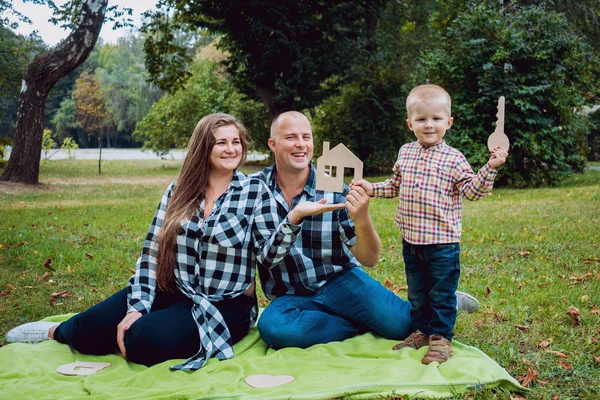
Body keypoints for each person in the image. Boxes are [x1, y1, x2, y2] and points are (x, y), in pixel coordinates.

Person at [5, 113, 342, 371]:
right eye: (220, 142)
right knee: (89, 328)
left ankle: (131, 330)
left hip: (226, 305)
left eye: (236, 142)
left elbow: (268, 257)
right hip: (173, 288)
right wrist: (137, 306)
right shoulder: (178, 190)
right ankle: (56, 332)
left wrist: (294, 217)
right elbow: (151, 252)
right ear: (203, 147)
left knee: (142, 340)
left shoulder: (255, 191)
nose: (230, 149)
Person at [251, 110, 481, 350]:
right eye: (290, 137)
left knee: (406, 326)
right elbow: (266, 258)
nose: (300, 144)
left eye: (306, 137)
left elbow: (369, 258)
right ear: (273, 144)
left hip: (339, 280)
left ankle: (444, 302)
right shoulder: (255, 190)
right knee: (274, 328)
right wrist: (294, 217)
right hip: (290, 295)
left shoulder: (333, 189)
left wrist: (361, 217)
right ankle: (361, 322)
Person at [353, 84, 508, 365]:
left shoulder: (454, 158)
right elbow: (395, 186)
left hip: (442, 244)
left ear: (448, 122)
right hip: (411, 241)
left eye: (436, 119)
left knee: (441, 293)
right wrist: (371, 188)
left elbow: (472, 191)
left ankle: (440, 337)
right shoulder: (406, 153)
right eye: (421, 119)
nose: (429, 125)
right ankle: (423, 331)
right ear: (409, 123)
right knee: (417, 292)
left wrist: (490, 168)